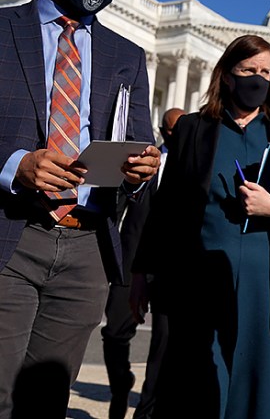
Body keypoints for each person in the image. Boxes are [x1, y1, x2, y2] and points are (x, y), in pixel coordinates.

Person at [0, 0, 161, 416]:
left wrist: (140, 169)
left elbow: (139, 140)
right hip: (12, 233)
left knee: (46, 399)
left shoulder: (127, 54)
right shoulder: (4, 30)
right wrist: (14, 166)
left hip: (87, 242)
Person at [131, 35, 270, 418]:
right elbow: (165, 208)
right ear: (228, 76)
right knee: (196, 386)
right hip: (198, 278)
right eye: (249, 71)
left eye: (266, 71)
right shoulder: (193, 130)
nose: (258, 79)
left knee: (253, 386)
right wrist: (140, 274)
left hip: (264, 282)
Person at [102, 107, 184, 419]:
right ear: (163, 132)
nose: (178, 136)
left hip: (170, 267)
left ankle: (146, 411)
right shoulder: (145, 163)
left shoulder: (193, 164)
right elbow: (117, 205)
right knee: (114, 334)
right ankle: (121, 384)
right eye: (173, 131)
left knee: (163, 343)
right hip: (132, 258)